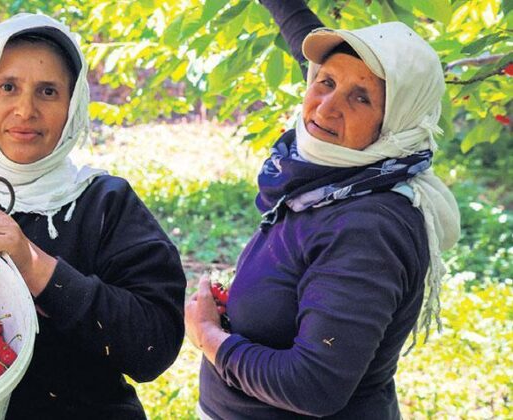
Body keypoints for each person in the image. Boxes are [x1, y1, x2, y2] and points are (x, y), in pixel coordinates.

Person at [0, 13, 186, 418]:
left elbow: (153, 348)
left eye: (48, 91)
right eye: (8, 87)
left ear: (72, 105)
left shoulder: (106, 206)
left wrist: (36, 267)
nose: (25, 109)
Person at [185, 1, 461, 418]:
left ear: (396, 123)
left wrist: (209, 337)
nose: (328, 106)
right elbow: (308, 51)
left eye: (361, 98)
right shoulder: (334, 180)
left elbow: (313, 386)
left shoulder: (367, 227)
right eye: (326, 81)